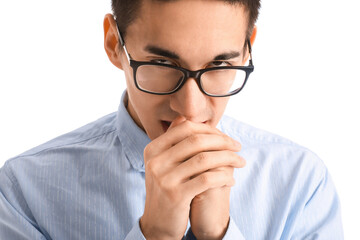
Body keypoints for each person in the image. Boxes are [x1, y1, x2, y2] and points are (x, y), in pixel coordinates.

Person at [0, 0, 344, 239]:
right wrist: (155, 234)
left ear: (248, 48)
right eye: (163, 65)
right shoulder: (24, 191)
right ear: (113, 44)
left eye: (220, 66)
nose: (191, 110)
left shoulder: (301, 184)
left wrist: (219, 235)